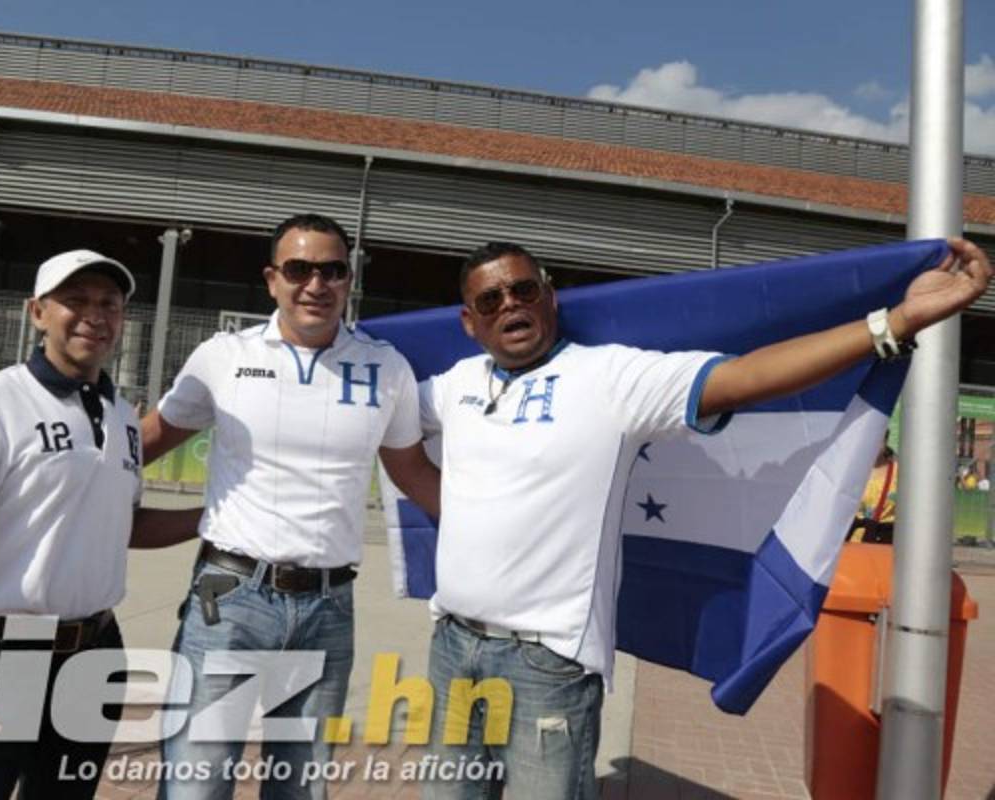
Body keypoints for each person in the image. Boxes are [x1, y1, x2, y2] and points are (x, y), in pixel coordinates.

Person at [418, 238, 991, 799]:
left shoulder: (610, 378)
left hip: (546, 664)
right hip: (451, 649)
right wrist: (447, 506)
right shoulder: (453, 386)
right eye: (491, 300)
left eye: (523, 289)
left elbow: (750, 376)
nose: (510, 304)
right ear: (470, 322)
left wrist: (893, 323)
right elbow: (376, 413)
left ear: (549, 296)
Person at [140, 213, 439, 800]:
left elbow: (414, 474)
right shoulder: (222, 356)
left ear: (349, 280)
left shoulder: (387, 367)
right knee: (196, 785)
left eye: (332, 270)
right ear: (272, 279)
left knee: (299, 789)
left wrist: (505, 526)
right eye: (299, 269)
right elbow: (142, 444)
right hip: (228, 599)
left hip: (328, 607)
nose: (316, 284)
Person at [0, 249, 203, 800]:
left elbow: (122, 525)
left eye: (108, 303)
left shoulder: (120, 416)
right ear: (37, 312)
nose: (94, 315)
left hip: (94, 649)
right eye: (75, 300)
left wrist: (214, 519)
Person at [848, 431, 898, 543]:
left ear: (886, 441)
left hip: (885, 542)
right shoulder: (849, 472)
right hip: (852, 543)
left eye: (877, 440)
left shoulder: (901, 473)